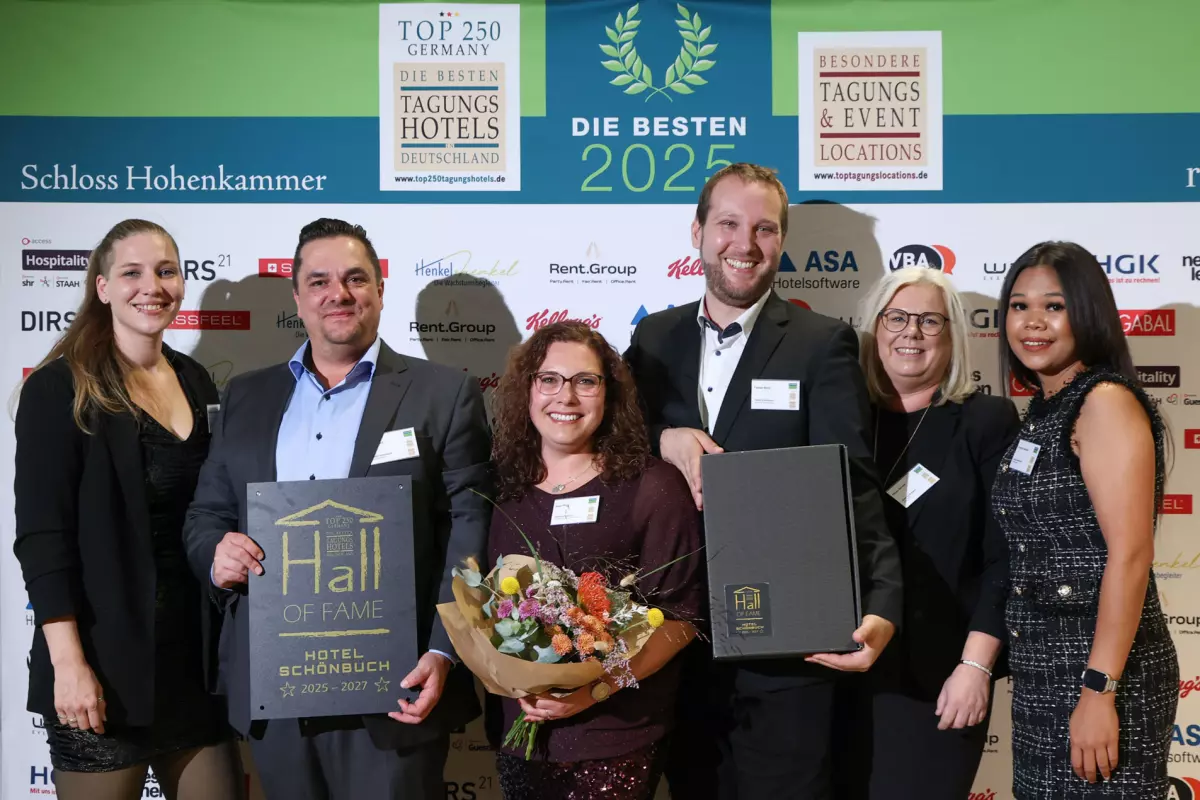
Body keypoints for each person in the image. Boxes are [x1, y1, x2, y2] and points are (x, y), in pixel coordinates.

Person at [182, 218, 492, 799]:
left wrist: (443, 649)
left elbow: (468, 527)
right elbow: (206, 516)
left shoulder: (443, 393)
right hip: (278, 685)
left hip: (397, 687)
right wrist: (216, 554)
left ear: (380, 290)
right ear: (297, 298)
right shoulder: (246, 395)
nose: (338, 293)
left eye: (355, 278)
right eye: (319, 281)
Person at [624, 163, 903, 799]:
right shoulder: (654, 337)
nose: (745, 244)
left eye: (764, 229)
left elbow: (852, 483)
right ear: (697, 231)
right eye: (728, 223)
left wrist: (883, 599)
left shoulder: (822, 344)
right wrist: (662, 439)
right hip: (669, 638)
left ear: (781, 241)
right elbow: (608, 450)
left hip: (784, 644)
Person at [13, 219, 244, 800]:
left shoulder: (196, 380)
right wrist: (69, 665)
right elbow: (42, 538)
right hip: (103, 671)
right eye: (132, 273)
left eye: (166, 271)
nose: (152, 287)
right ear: (103, 287)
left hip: (195, 668)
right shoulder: (59, 389)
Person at [483, 321, 704, 799]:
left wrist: (595, 689)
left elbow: (681, 621)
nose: (566, 397)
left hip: (615, 736)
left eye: (585, 381)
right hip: (521, 736)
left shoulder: (653, 487)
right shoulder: (502, 491)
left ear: (609, 394)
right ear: (528, 390)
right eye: (549, 379)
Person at [992, 241, 1178, 799]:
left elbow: (1131, 555)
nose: (1033, 322)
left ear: (1088, 313)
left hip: (1098, 674)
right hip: (1042, 670)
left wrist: (1099, 690)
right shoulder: (1045, 409)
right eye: (1020, 306)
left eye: (1054, 306)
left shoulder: (1103, 402)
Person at [830, 267, 1020, 799]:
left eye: (930, 321)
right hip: (835, 673)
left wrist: (975, 667)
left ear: (952, 336)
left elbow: (1006, 557)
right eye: (896, 317)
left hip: (938, 679)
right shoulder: (838, 417)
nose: (911, 332)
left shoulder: (986, 421)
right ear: (873, 328)